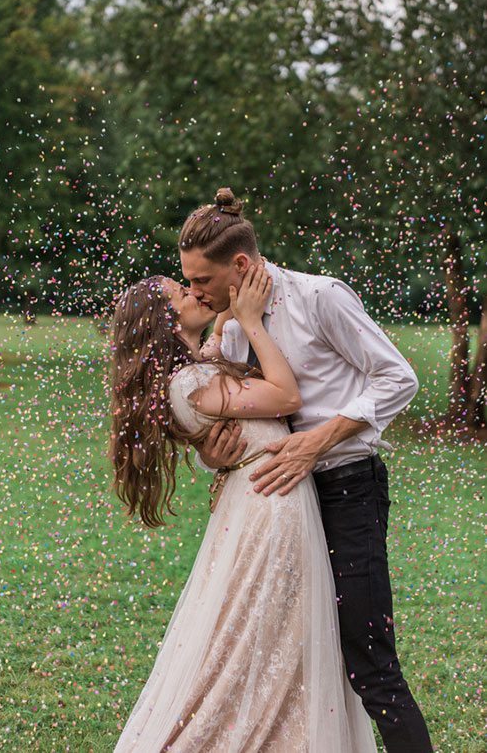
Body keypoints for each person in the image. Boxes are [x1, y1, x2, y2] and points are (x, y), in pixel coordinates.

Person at [179, 187, 433, 753]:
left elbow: (399, 379)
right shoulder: (233, 325)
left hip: (346, 493)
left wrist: (317, 441)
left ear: (240, 265)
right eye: (188, 282)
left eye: (201, 280)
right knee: (288, 655)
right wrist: (211, 457)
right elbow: (242, 418)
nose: (194, 293)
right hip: (279, 508)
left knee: (369, 662)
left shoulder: (321, 298)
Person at [109, 265, 378, 751]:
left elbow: (219, 359)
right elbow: (286, 395)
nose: (192, 292)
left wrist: (224, 316)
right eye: (179, 292)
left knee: (276, 635)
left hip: (266, 499)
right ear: (162, 321)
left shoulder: (195, 367)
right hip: (268, 509)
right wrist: (251, 321)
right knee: (265, 636)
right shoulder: (190, 380)